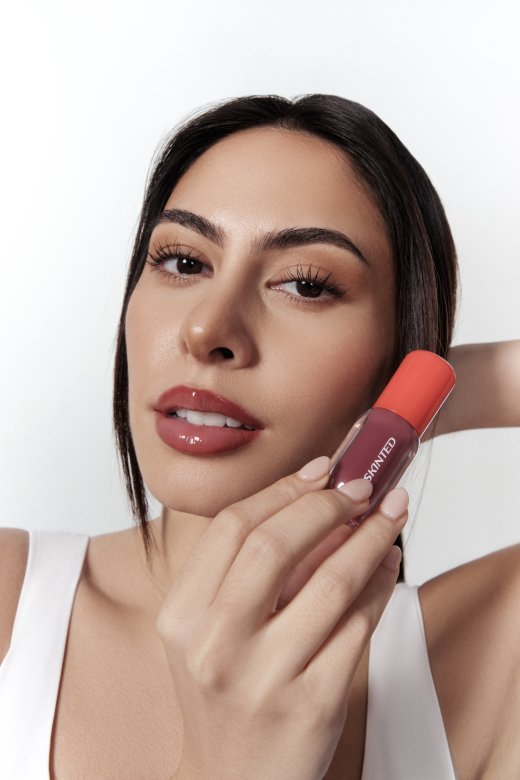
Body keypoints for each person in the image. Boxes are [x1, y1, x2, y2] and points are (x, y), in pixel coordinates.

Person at [0, 94, 518, 779]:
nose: (207, 330)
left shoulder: (484, 656)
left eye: (306, 285)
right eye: (183, 262)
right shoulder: (12, 600)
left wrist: (421, 393)